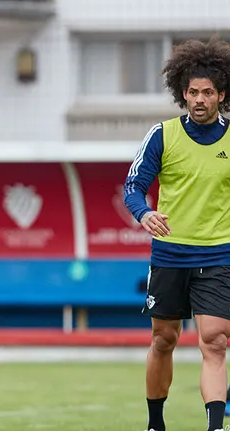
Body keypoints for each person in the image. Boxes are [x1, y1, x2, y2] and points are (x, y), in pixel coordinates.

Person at [123, 37, 230, 431]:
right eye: (192, 92)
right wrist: (144, 212)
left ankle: (216, 427)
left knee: (216, 341)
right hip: (169, 255)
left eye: (207, 92)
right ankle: (156, 423)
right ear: (182, 93)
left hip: (218, 254)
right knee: (163, 339)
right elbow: (133, 186)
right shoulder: (163, 135)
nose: (198, 99)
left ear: (221, 95)